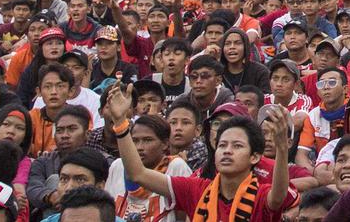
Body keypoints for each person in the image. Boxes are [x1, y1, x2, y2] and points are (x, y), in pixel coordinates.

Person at [107, 82, 299, 222]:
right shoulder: (196, 189)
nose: (227, 151)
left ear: (255, 156)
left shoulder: (261, 194)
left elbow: (278, 197)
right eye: (222, 145)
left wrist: (282, 150)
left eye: (237, 146)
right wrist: (120, 124)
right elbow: (137, 173)